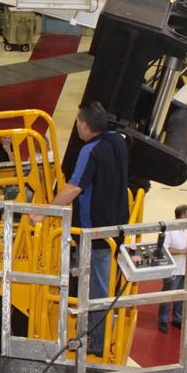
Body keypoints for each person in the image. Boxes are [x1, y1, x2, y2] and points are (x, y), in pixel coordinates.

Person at [52, 102, 129, 355]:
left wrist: (43, 211)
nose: (76, 125)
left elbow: (74, 187)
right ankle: (93, 333)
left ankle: (96, 342)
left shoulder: (90, 150)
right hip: (116, 228)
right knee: (101, 284)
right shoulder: (118, 141)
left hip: (95, 233)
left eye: (77, 121)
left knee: (97, 289)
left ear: (85, 125)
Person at [159, 205, 187, 334]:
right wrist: (182, 251)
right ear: (182, 216)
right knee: (168, 295)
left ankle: (177, 319)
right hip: (172, 269)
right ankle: (163, 320)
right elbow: (163, 249)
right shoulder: (169, 229)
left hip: (184, 268)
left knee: (180, 295)